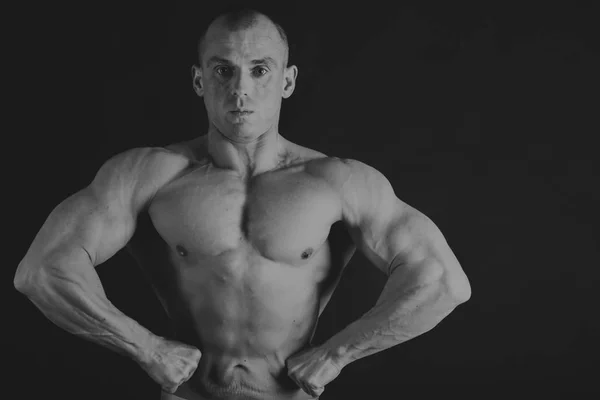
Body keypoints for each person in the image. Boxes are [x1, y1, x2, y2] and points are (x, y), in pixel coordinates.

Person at [14, 7, 471, 400]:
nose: (240, 89)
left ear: (288, 80)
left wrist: (338, 353)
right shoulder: (149, 174)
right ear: (198, 80)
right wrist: (145, 348)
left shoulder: (338, 181)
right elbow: (43, 270)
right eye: (222, 69)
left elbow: (442, 282)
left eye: (259, 69)